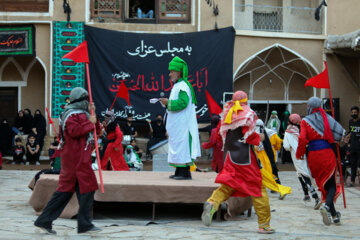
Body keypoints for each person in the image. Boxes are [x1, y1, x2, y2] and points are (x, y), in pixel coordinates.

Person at [201, 91, 275, 234]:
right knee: (258, 189)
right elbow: (250, 137)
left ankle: (212, 203)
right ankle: (264, 225)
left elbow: (218, 136)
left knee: (228, 186)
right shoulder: (247, 114)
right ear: (245, 101)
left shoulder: (226, 115)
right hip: (245, 159)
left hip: (229, 157)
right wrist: (261, 137)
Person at [34, 87, 102, 235]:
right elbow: (75, 131)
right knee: (75, 190)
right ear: (80, 100)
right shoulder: (70, 115)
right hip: (74, 159)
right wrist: (90, 122)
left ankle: (81, 223)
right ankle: (82, 223)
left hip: (80, 157)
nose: (87, 102)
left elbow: (96, 130)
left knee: (82, 190)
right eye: (85, 100)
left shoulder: (84, 113)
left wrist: (93, 114)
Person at [296, 97, 345, 226]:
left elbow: (302, 138)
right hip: (327, 154)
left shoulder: (305, 121)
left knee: (324, 185)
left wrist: (300, 154)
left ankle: (335, 216)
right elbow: (340, 133)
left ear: (309, 107)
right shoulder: (327, 118)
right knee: (332, 185)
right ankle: (327, 207)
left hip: (313, 156)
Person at [159, 56, 201, 180]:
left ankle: (185, 173)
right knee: (177, 147)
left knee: (183, 148)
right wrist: (166, 102)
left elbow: (183, 103)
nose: (170, 74)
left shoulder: (183, 86)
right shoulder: (178, 85)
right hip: (178, 126)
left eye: (172, 71)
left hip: (183, 125)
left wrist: (168, 102)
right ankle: (179, 171)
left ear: (179, 72)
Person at [283, 113, 321, 209]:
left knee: (304, 176)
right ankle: (306, 195)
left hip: (296, 156)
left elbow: (286, 147)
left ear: (289, 121)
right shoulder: (299, 130)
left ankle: (316, 197)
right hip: (304, 154)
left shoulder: (288, 132)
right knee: (299, 174)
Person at [254, 119, 291, 200]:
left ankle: (281, 189)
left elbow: (256, 147)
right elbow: (278, 142)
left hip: (261, 159)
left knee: (267, 177)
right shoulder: (271, 132)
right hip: (271, 155)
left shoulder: (255, 134)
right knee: (271, 175)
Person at [255, 119, 283, 185]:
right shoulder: (271, 132)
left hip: (261, 154)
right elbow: (278, 141)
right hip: (270, 153)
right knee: (271, 168)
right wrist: (277, 148)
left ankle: (273, 184)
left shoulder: (254, 133)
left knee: (267, 169)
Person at [346, 106, 360, 187]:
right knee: (353, 164)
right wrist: (348, 138)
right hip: (353, 146)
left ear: (358, 113)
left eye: (355, 112)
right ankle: (352, 181)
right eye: (352, 112)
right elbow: (351, 131)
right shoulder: (350, 122)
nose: (354, 114)